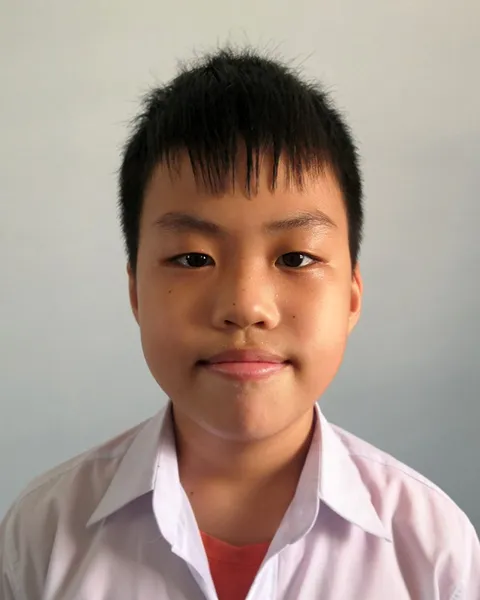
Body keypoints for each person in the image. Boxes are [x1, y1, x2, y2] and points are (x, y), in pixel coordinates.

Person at [0, 46, 478, 600]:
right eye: (193, 258)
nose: (247, 306)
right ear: (135, 293)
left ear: (351, 297)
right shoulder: (43, 536)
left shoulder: (433, 552)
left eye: (295, 258)